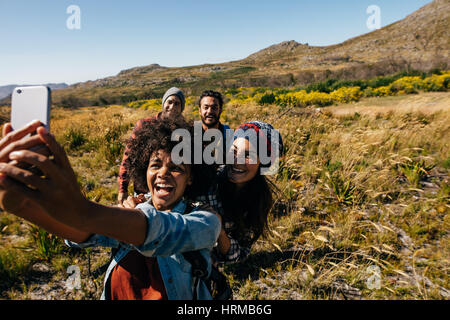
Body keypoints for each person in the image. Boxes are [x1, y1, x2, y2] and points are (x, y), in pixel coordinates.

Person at [0, 118, 221, 300]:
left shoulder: (205, 220)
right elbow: (85, 232)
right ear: (144, 171)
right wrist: (25, 207)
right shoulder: (128, 210)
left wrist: (84, 211)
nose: (163, 173)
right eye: (155, 165)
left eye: (176, 168)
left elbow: (160, 231)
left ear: (191, 178)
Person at [202, 121, 284, 265]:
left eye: (248, 155)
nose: (237, 160)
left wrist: (219, 231)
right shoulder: (206, 180)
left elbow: (239, 253)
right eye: (234, 151)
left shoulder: (257, 200)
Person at [117, 87, 185, 206]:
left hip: (169, 188)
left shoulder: (183, 129)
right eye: (169, 102)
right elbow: (128, 157)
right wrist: (123, 189)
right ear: (164, 103)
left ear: (181, 108)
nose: (172, 107)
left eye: (177, 103)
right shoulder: (145, 125)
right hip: (143, 188)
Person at [197, 90, 230, 166]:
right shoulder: (191, 135)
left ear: (220, 110)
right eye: (206, 107)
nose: (209, 111)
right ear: (199, 111)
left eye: (214, 108)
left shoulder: (229, 136)